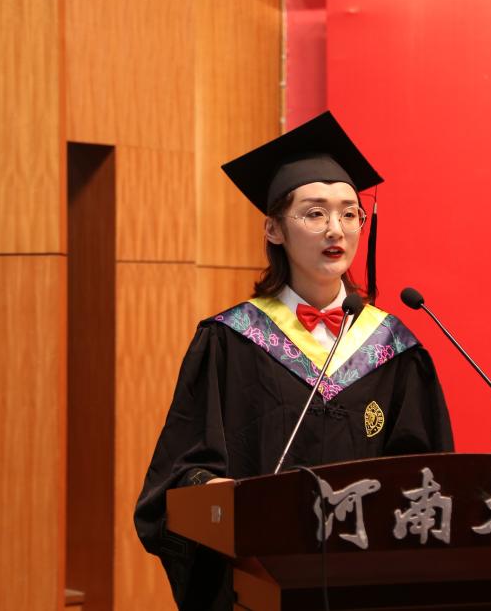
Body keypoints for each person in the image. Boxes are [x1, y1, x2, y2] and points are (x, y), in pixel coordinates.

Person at [133, 111, 454, 610]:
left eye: (350, 214)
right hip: (263, 587)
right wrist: (221, 496)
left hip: (368, 591)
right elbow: (179, 477)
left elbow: (429, 481)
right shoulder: (230, 341)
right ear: (274, 229)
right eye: (314, 213)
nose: (336, 230)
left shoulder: (394, 349)